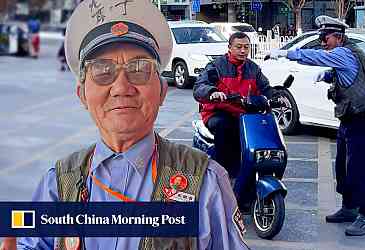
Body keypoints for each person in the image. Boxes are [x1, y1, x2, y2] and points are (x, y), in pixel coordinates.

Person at [12, 1, 249, 249]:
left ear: (162, 91)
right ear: (82, 95)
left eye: (139, 68)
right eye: (103, 70)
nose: (122, 88)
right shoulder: (58, 183)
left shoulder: (205, 182)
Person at [270, 15, 365, 236]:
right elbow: (347, 74)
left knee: (357, 169)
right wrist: (329, 75)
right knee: (342, 166)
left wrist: (287, 53)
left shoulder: (344, 52)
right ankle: (350, 207)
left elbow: (317, 56)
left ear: (338, 37)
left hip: (363, 118)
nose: (323, 42)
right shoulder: (348, 53)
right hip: (350, 117)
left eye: (325, 37)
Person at [193, 32, 276, 207]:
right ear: (229, 48)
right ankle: (227, 175)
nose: (243, 50)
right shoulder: (215, 66)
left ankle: (249, 182)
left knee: (261, 133)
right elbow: (199, 86)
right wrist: (212, 92)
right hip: (218, 113)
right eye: (238, 47)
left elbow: (266, 88)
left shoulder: (253, 69)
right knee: (227, 127)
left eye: (246, 47)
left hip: (245, 115)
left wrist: (274, 97)